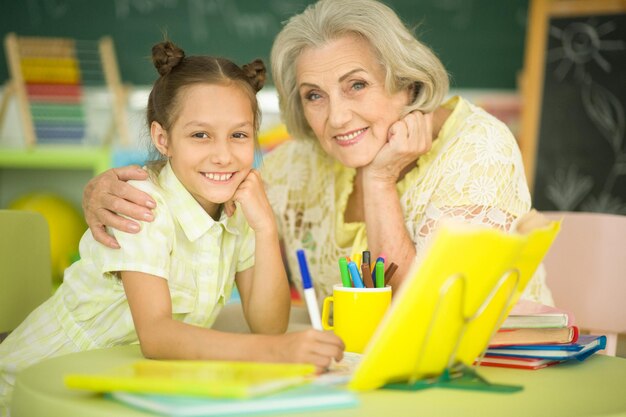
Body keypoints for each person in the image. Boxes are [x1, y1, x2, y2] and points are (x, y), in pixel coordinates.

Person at [82, 0, 553, 305]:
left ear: (407, 83)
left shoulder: (477, 148)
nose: (338, 118)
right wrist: (116, 185)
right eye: (314, 95)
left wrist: (379, 181)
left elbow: (427, 316)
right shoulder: (299, 164)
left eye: (357, 85)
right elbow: (206, 172)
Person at [0, 40, 344, 414]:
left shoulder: (241, 206)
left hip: (121, 389)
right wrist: (275, 353)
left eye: (239, 135)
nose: (224, 154)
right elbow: (158, 336)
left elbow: (268, 325)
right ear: (163, 139)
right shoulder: (141, 203)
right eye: (200, 135)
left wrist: (265, 228)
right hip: (30, 392)